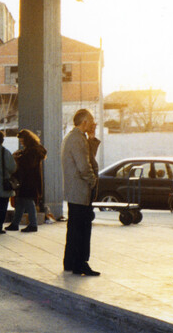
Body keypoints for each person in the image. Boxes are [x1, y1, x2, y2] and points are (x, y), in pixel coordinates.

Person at [61, 109, 100, 276]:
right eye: (90, 123)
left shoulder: (73, 137)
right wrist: (93, 181)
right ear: (84, 122)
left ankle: (70, 262)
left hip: (74, 191)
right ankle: (80, 263)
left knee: (74, 228)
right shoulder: (77, 139)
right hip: (80, 189)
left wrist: (91, 138)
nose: (92, 125)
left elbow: (88, 158)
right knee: (82, 229)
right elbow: (84, 166)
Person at [5, 129, 47, 233]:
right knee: (20, 201)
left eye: (22, 141)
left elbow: (28, 164)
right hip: (29, 180)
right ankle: (15, 223)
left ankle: (33, 224)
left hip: (29, 181)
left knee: (28, 201)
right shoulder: (33, 149)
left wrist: (17, 158)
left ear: (27, 140)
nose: (21, 143)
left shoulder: (32, 150)